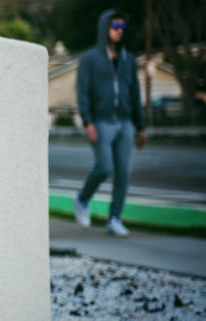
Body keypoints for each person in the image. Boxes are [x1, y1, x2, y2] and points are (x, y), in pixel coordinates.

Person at [74, 9, 147, 237]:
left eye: (122, 27)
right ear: (104, 28)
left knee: (123, 174)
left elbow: (135, 94)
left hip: (124, 123)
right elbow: (82, 92)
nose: (119, 31)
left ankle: (114, 218)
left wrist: (141, 126)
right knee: (105, 167)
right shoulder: (90, 59)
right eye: (115, 26)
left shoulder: (129, 60)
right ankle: (82, 199)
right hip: (101, 121)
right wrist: (88, 121)